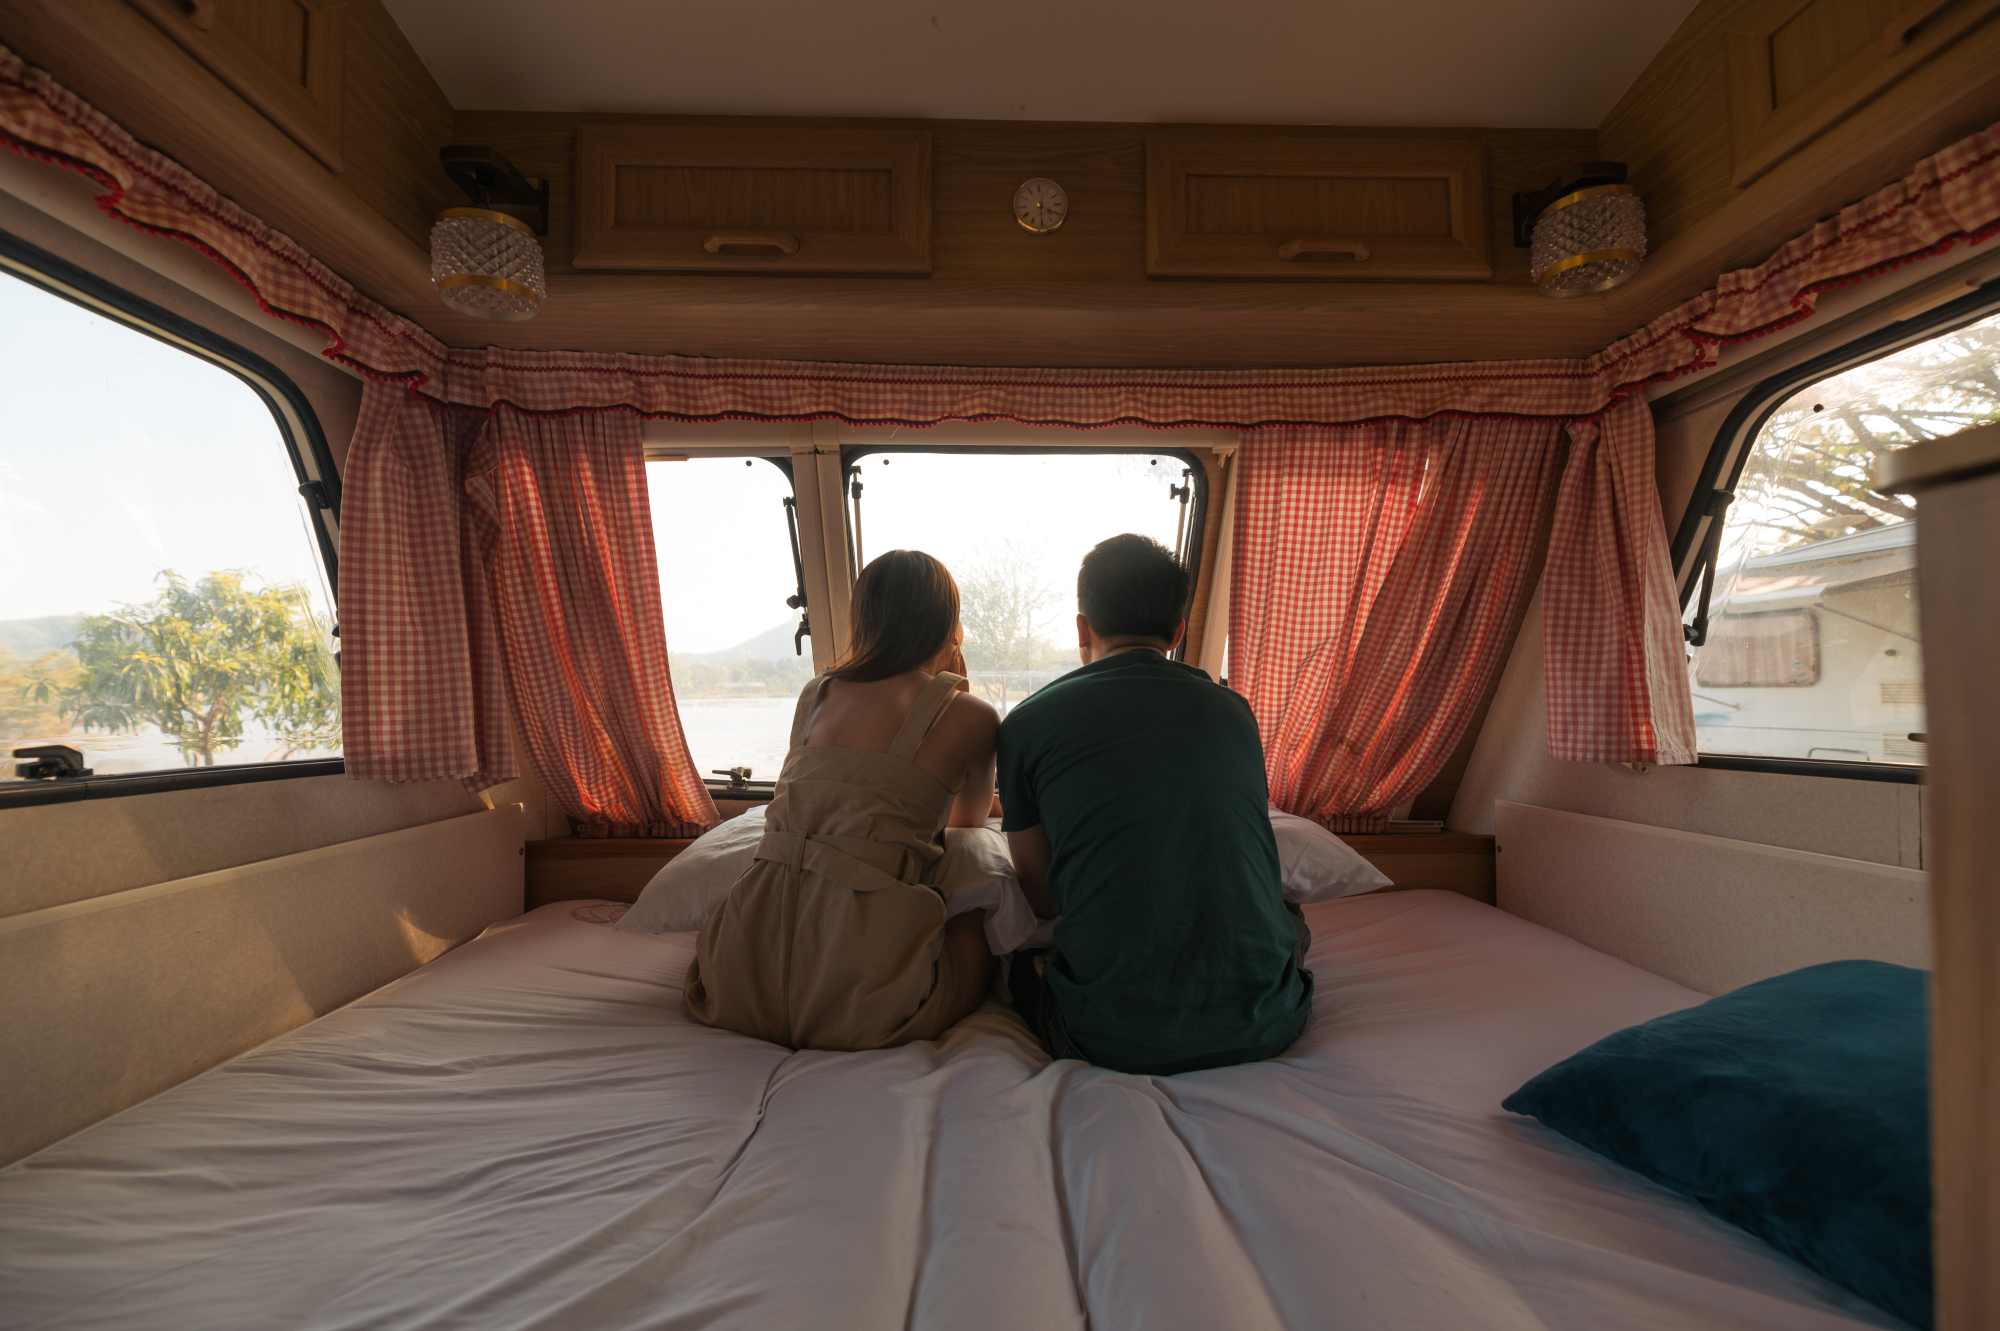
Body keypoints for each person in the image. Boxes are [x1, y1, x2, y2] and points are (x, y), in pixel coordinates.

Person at [998, 533, 1312, 1075]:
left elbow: (1044, 900)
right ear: (1179, 631)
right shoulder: (1235, 714)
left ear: (1081, 628)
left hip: (1109, 1040)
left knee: (1013, 968)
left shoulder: (1027, 724)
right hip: (1269, 1023)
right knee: (1292, 917)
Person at [685, 550, 999, 1050]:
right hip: (861, 972)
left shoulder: (816, 694)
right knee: (977, 929)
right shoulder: (972, 715)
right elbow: (970, 817)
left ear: (864, 619)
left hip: (745, 958)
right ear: (949, 624)